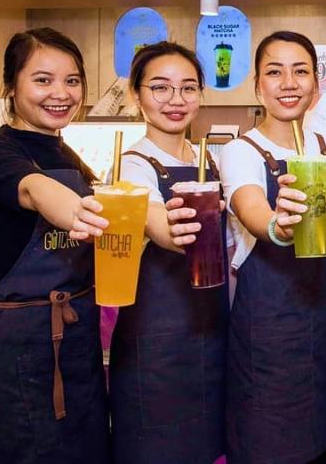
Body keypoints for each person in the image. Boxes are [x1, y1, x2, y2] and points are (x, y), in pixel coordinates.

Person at [0, 28, 110, 463]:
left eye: (72, 81)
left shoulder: (72, 158)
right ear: (12, 87)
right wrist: (76, 212)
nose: (61, 93)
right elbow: (33, 189)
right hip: (15, 349)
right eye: (43, 79)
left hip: (77, 339)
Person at [219, 31, 326, 463]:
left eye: (300, 71)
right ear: (257, 85)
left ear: (316, 84)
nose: (288, 83)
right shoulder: (241, 151)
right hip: (266, 334)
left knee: (319, 445)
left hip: (321, 327)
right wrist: (280, 225)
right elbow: (252, 211)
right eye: (274, 72)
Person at [108, 42, 228, 463]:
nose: (176, 100)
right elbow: (157, 222)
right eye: (160, 88)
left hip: (210, 333)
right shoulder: (132, 164)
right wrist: (177, 228)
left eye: (188, 88)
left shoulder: (208, 160)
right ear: (136, 93)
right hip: (156, 343)